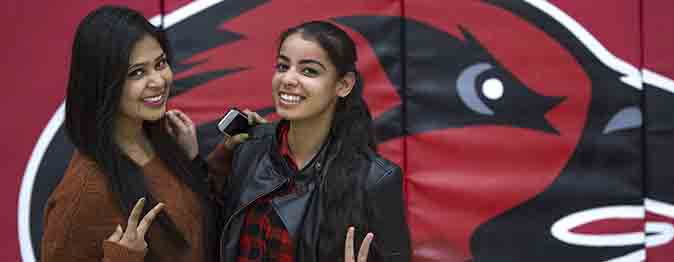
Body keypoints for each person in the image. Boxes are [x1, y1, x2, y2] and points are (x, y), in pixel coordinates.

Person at [208, 20, 412, 262]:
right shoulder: (248, 148)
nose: (288, 79)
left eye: (309, 71)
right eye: (283, 66)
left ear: (343, 84)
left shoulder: (375, 179)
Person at [41, 5, 221, 262]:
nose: (158, 80)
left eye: (160, 64)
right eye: (137, 73)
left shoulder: (163, 141)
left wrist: (196, 163)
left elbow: (198, 230)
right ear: (103, 84)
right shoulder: (81, 196)